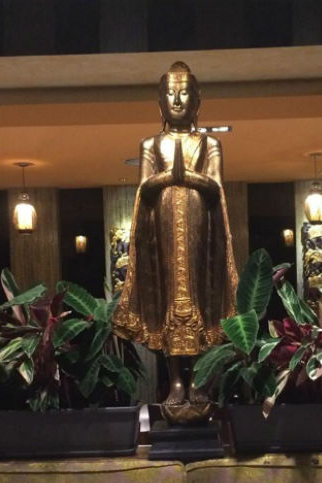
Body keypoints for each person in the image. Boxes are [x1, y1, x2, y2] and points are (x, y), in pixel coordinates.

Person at [113, 61, 238, 412]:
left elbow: (216, 187)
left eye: (184, 93)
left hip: (200, 228)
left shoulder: (210, 143)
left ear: (198, 102)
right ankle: (175, 382)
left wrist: (188, 177)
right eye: (170, 94)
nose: (177, 100)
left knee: (198, 295)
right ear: (160, 104)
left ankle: (197, 380)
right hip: (163, 231)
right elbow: (144, 189)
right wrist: (170, 176)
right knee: (169, 296)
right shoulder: (151, 144)